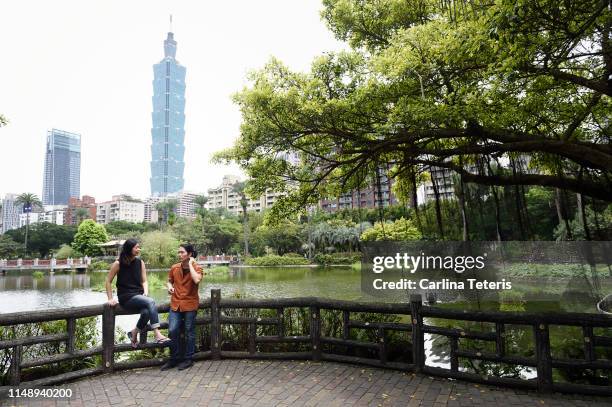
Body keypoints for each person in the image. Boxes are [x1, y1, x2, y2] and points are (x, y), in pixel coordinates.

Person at [106, 238, 170, 347]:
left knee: (146, 312)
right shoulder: (118, 264)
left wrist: (145, 291)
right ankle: (157, 334)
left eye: (139, 247)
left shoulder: (140, 263)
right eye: (136, 247)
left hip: (139, 295)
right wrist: (110, 298)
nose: (138, 249)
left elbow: (144, 281)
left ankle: (134, 332)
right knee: (151, 302)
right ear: (129, 249)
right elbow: (108, 281)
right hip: (126, 297)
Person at [160, 243, 203, 371]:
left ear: (189, 254)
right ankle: (174, 358)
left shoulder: (197, 267)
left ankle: (188, 359)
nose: (179, 255)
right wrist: (169, 287)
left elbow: (196, 280)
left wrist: (190, 265)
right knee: (172, 330)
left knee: (189, 331)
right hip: (176, 303)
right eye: (178, 252)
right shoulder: (174, 268)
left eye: (182, 252)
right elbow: (169, 281)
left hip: (190, 304)